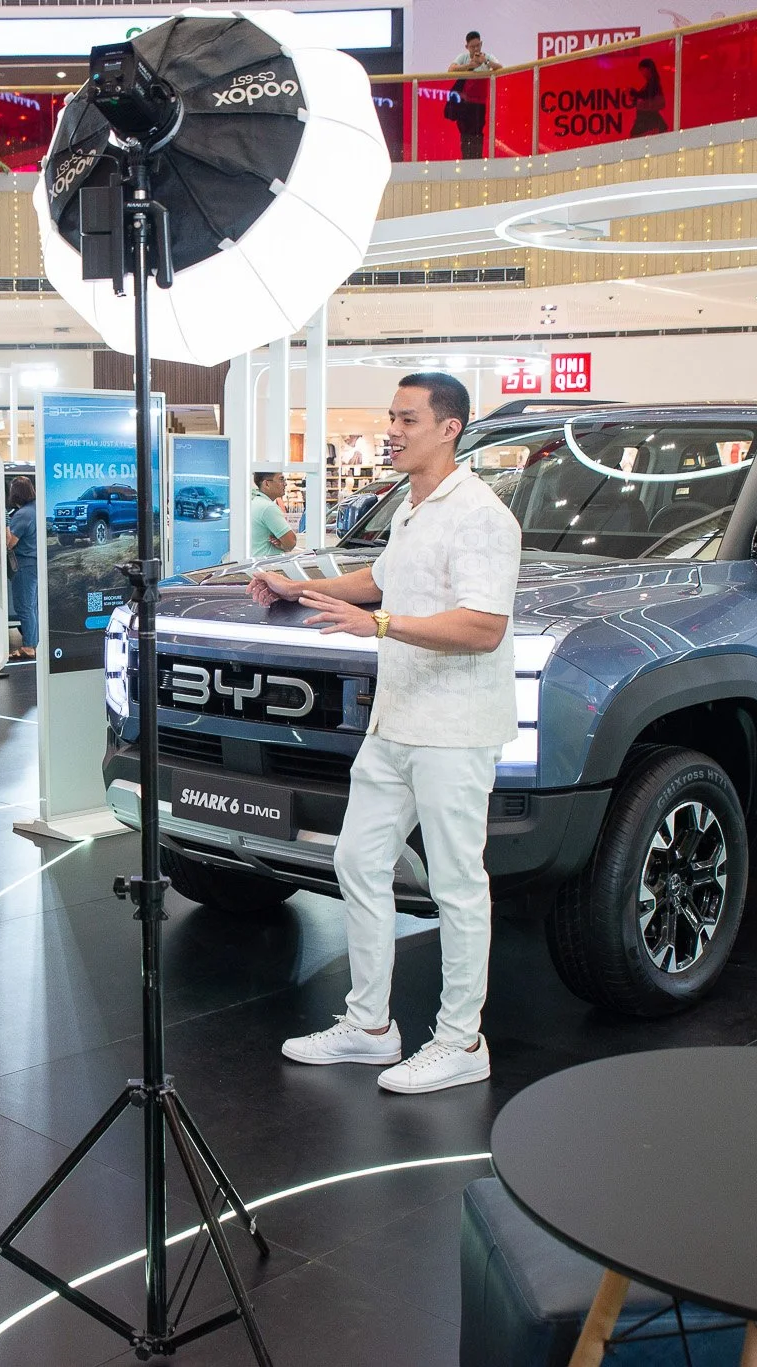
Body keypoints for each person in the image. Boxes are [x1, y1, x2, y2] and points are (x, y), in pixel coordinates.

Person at [262, 372, 520, 1095]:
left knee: (458, 884)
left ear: (450, 428)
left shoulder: (483, 517)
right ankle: (370, 1025)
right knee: (357, 860)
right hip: (396, 721)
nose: (392, 430)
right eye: (391, 417)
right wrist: (301, 587)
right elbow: (381, 576)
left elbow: (483, 624)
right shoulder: (412, 507)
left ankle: (462, 1039)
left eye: (407, 419)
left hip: (455, 727)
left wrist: (377, 624)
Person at [446, 31, 500, 160]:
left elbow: (500, 67)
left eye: (478, 45)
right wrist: (470, 66)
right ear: (467, 47)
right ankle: (466, 160)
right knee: (464, 133)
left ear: (481, 44)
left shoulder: (487, 57)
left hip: (479, 104)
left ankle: (477, 159)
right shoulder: (463, 58)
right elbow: (451, 69)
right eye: (472, 46)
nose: (476, 49)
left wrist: (485, 62)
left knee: (477, 132)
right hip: (463, 103)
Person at [6, 475, 39, 661]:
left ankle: (28, 647)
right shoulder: (35, 509)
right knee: (32, 606)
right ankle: (34, 642)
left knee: (24, 607)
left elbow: (10, 543)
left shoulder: (22, 514)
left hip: (24, 564)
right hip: (34, 563)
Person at [251, 470, 300, 557]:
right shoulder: (268, 507)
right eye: (281, 479)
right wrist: (283, 546)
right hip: (268, 565)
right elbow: (291, 542)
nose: (285, 484)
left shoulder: (256, 502)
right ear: (267, 484)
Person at [631, 59, 669, 137]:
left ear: (648, 69)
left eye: (642, 70)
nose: (642, 73)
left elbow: (647, 97)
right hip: (646, 120)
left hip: (648, 121)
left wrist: (635, 94)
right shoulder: (650, 84)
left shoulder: (653, 84)